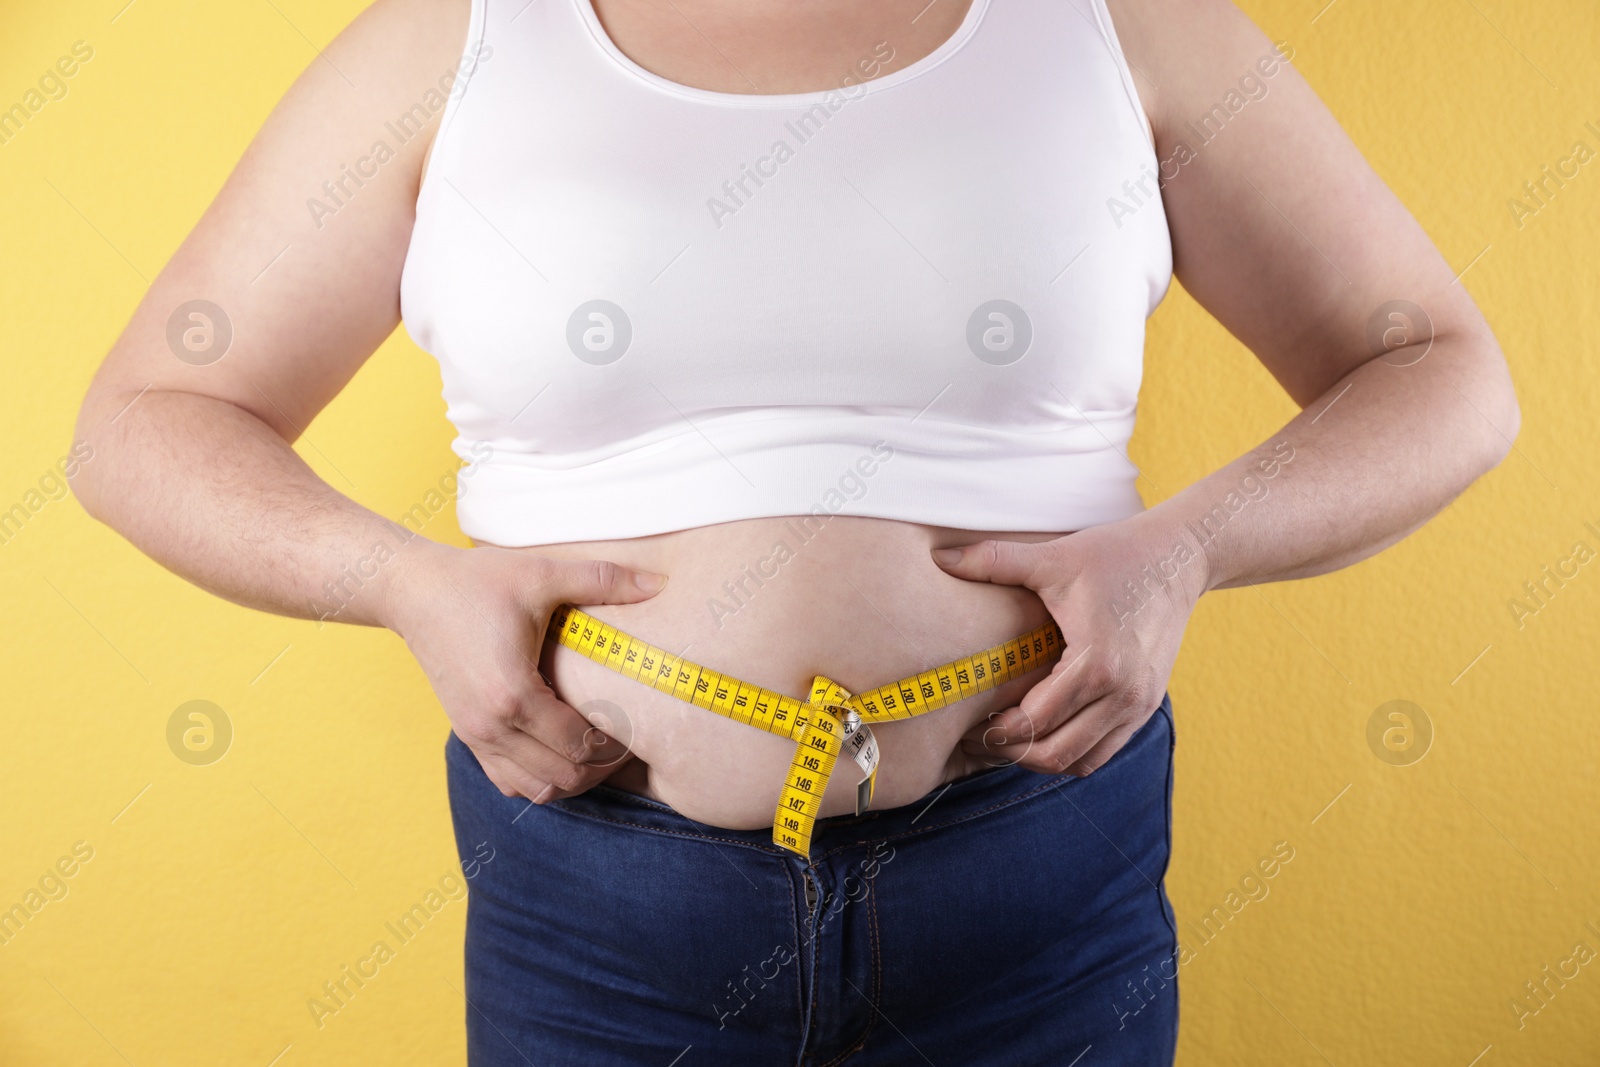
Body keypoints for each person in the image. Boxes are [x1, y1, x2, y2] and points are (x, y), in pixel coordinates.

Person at [71, 0, 1519, 1062]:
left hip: (1037, 885)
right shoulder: (455, 44)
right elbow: (148, 417)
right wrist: (396, 582)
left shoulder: (1115, 25)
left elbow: (1439, 371)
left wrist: (1193, 545)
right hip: (598, 911)